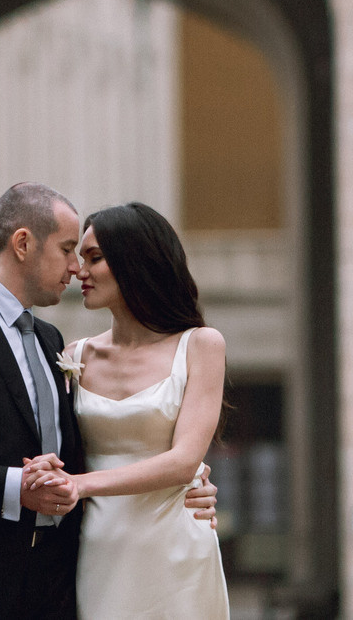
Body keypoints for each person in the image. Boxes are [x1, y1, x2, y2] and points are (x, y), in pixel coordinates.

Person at [0, 182, 216, 620]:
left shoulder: (51, 341)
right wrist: (14, 487)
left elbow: (86, 455)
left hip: (58, 585)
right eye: (69, 250)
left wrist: (189, 480)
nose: (76, 268)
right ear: (23, 244)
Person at [50, 201, 230, 620]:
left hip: (175, 546)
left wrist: (80, 484)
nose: (79, 271)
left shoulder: (201, 345)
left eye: (94, 258)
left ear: (135, 261)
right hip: (96, 546)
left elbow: (185, 461)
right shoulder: (74, 355)